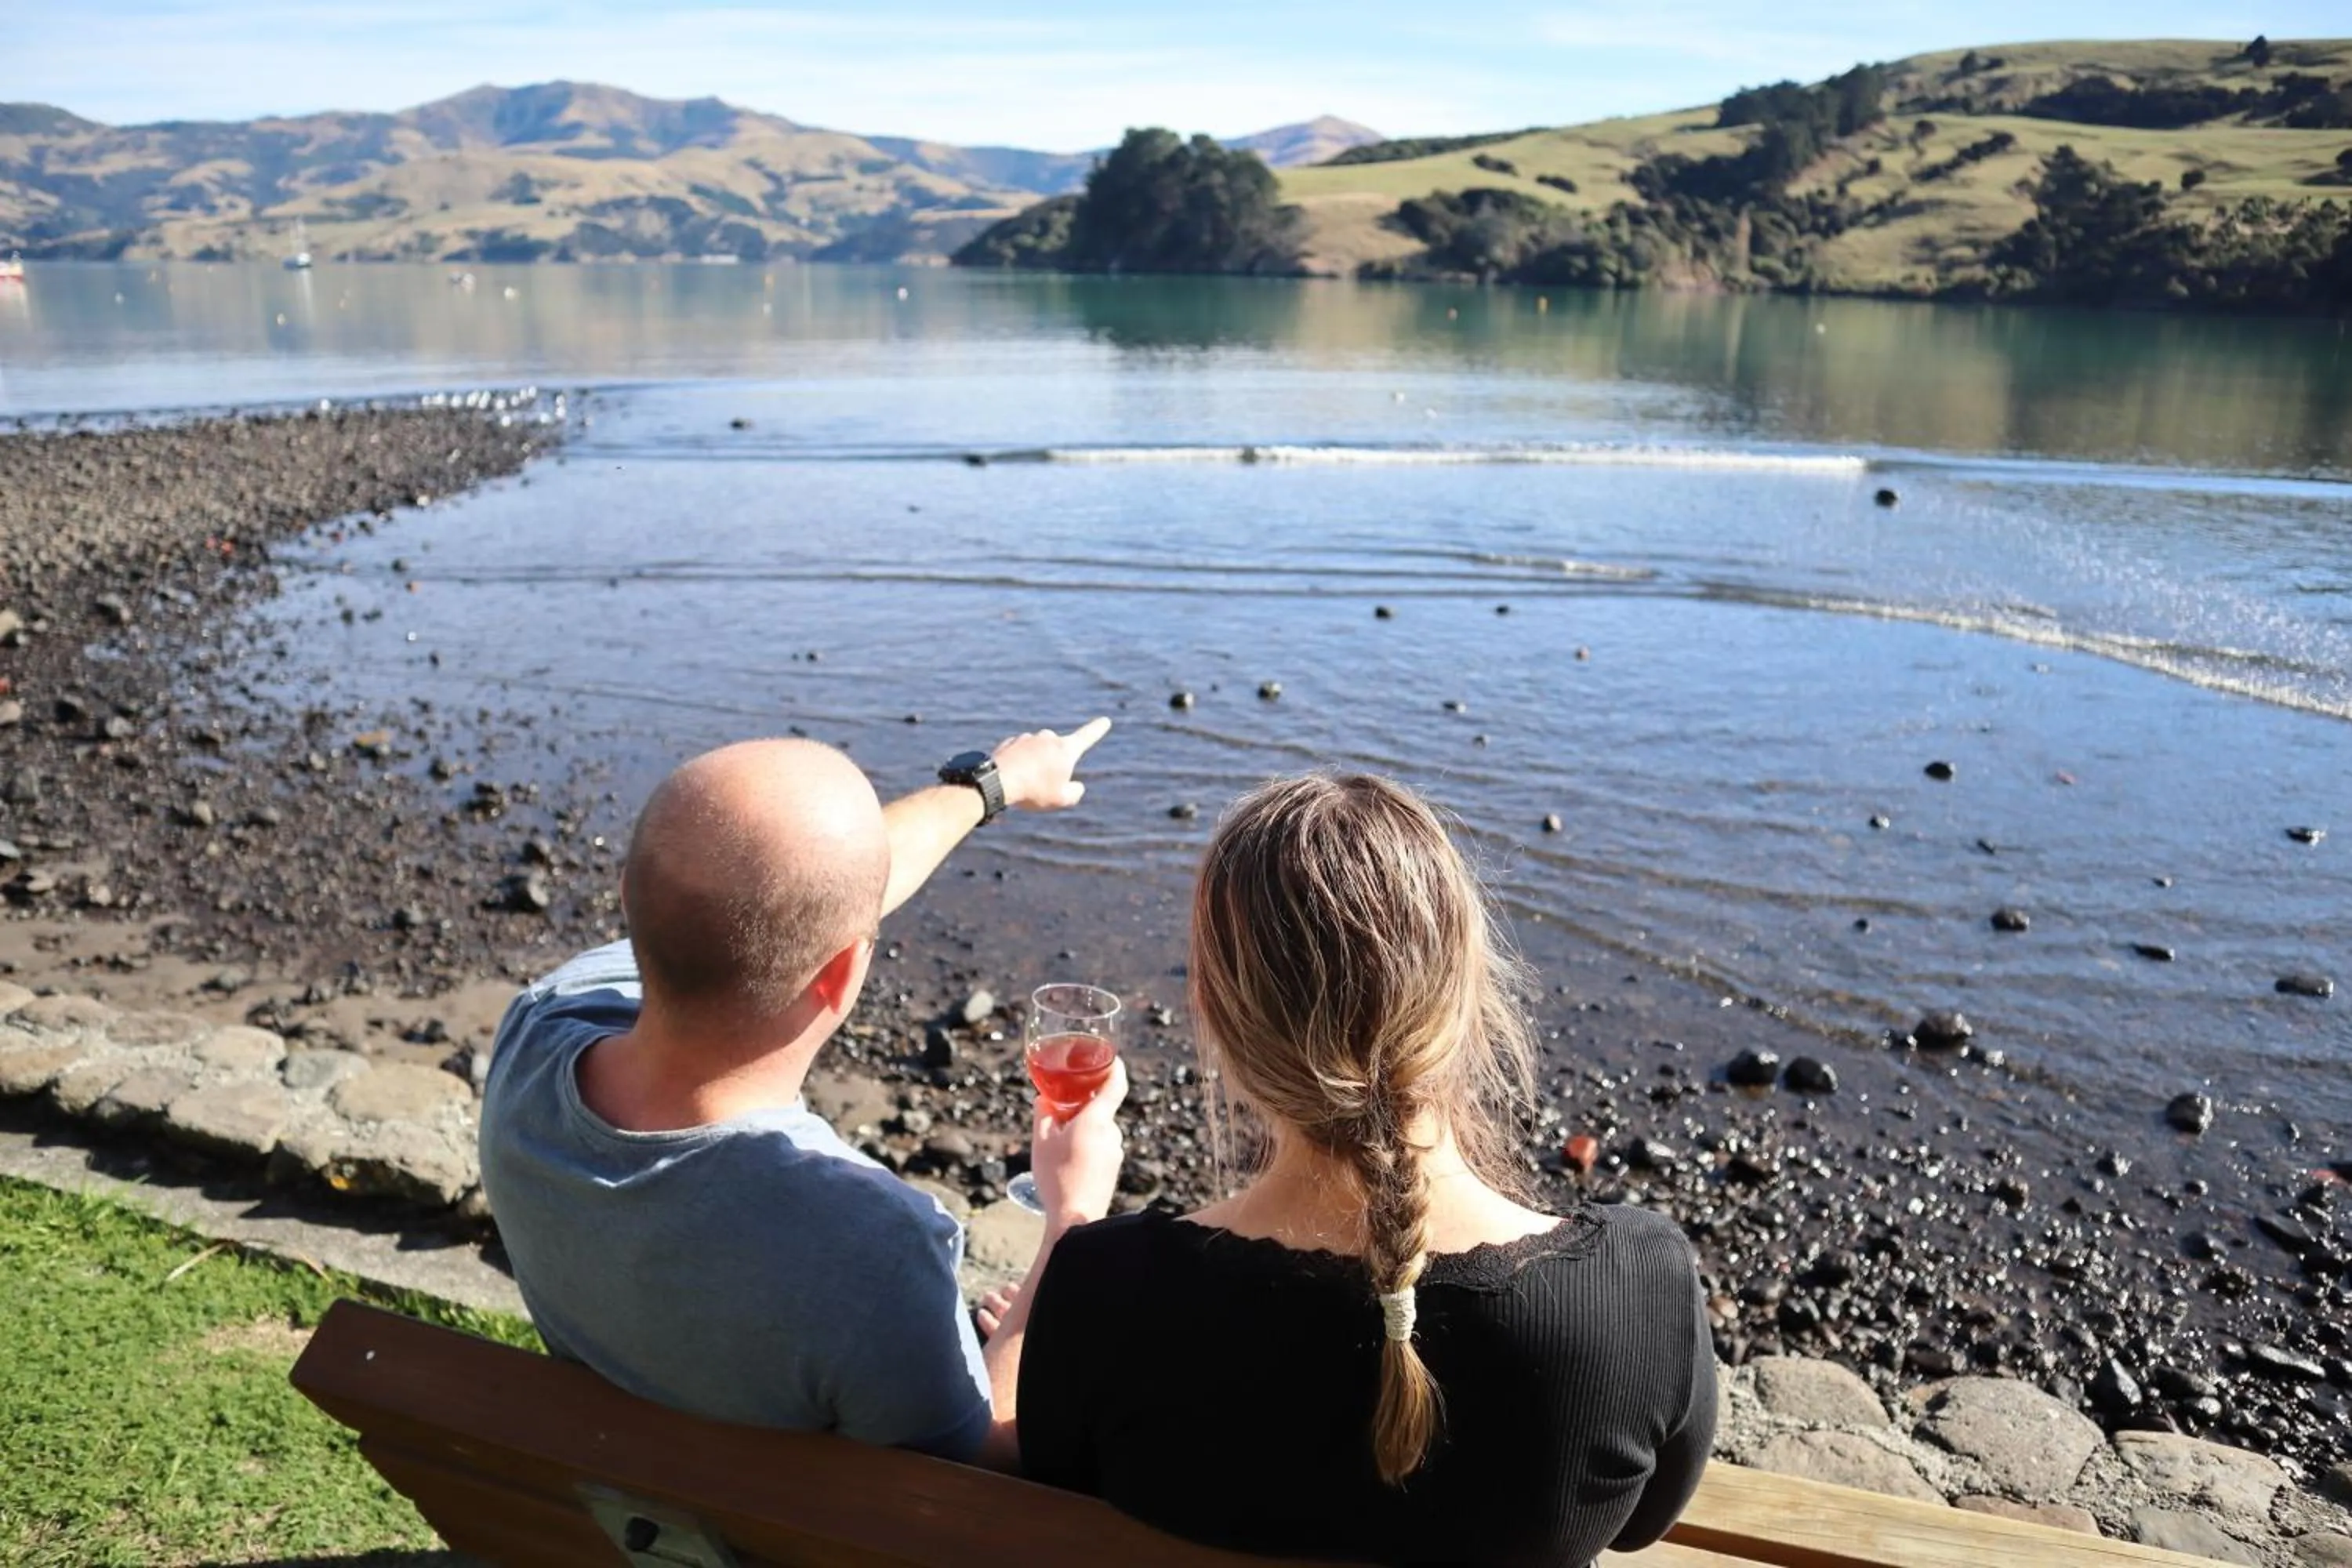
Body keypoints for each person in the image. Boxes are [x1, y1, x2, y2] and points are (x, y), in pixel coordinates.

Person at [1017, 772, 1716, 1567]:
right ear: (1470, 992)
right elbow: (1641, 1524)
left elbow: (1047, 1471)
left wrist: (1069, 1222)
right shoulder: (1640, 1289)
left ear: (1211, 1008)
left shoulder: (1102, 1289)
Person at [477, 720, 1127, 1469]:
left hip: (608, 1486)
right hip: (752, 1525)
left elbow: (767, 894)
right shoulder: (871, 1250)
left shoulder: (539, 1028)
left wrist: (990, 787)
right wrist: (1071, 1226)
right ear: (845, 975)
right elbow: (981, 1463)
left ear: (629, 898)